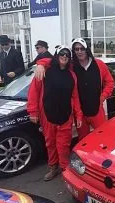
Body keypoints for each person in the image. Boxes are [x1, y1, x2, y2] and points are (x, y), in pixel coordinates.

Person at [34, 38, 114, 140]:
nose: (79, 51)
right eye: (76, 49)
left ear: (86, 49)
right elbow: (54, 60)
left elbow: (110, 82)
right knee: (83, 140)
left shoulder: (99, 64)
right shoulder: (71, 66)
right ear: (74, 51)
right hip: (80, 113)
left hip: (97, 110)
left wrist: (102, 97)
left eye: (82, 48)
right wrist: (41, 64)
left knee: (104, 137)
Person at [27, 45, 83, 181]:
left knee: (63, 145)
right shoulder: (45, 70)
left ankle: (64, 167)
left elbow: (75, 97)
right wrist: (33, 111)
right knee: (50, 144)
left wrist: (78, 115)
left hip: (65, 116)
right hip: (47, 114)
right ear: (57, 55)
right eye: (62, 54)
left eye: (67, 55)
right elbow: (34, 92)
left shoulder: (72, 75)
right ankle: (53, 167)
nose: (64, 57)